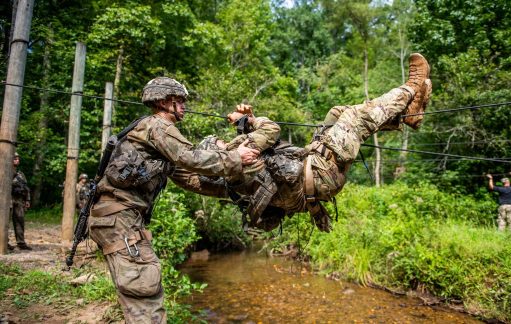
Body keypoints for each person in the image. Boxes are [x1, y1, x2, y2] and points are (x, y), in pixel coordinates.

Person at [184, 53, 432, 232]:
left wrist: (163, 152)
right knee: (354, 118)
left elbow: (190, 178)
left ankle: (407, 115)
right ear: (215, 151)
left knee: (335, 114)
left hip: (315, 177)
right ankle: (412, 86)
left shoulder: (226, 187)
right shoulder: (235, 156)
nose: (222, 140)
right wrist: (246, 121)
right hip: (319, 171)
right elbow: (271, 130)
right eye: (217, 141)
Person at [87, 76, 259, 323]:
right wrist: (236, 157)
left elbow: (189, 178)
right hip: (119, 220)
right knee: (144, 292)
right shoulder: (158, 126)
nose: (184, 106)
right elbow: (190, 157)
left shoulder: (155, 136)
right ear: (166, 101)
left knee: (141, 292)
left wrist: (233, 192)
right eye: (180, 101)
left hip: (117, 220)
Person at [10, 152, 32, 251]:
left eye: (18, 158)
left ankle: (21, 243)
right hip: (8, 199)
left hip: (19, 200)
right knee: (4, 222)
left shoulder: (20, 174)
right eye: (15, 158)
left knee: (20, 220)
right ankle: (3, 242)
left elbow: (26, 188)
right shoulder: (4, 170)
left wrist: (27, 199)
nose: (17, 160)